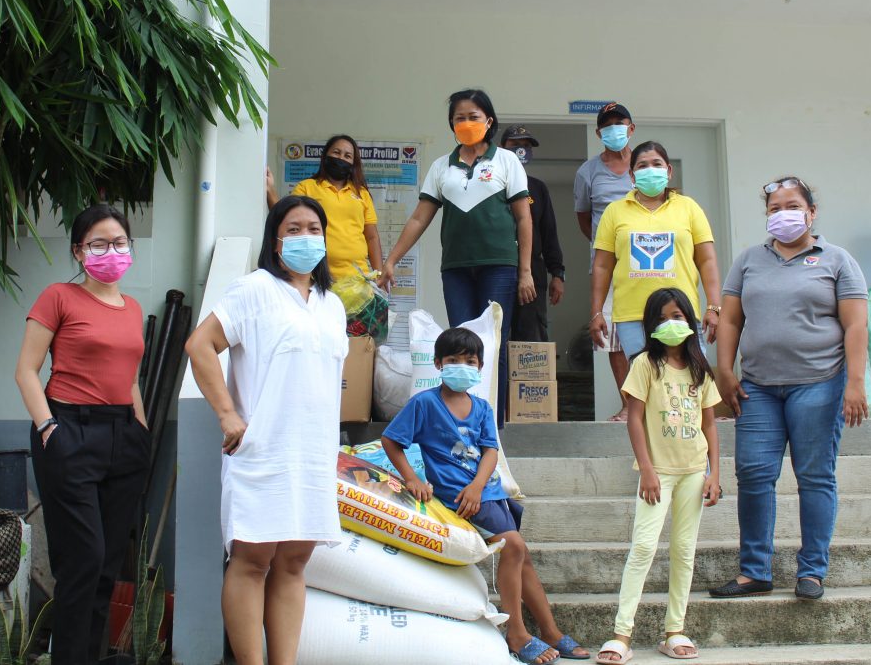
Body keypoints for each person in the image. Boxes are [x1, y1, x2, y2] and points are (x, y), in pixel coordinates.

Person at [184, 196, 348, 664]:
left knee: (294, 563)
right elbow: (200, 345)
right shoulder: (254, 289)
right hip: (261, 448)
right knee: (252, 561)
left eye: (313, 228)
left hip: (312, 453)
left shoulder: (331, 305)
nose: (305, 237)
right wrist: (227, 414)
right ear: (275, 243)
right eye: (293, 229)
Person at [381, 328, 589, 664]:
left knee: (522, 558)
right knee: (516, 547)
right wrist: (411, 479)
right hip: (457, 497)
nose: (461, 366)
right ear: (437, 364)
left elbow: (491, 451)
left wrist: (479, 487)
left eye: (469, 361)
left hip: (488, 493)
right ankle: (518, 634)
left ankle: (549, 630)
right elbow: (391, 441)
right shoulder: (424, 403)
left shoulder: (481, 407)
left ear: (479, 368)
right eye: (453, 360)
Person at [709, 176, 868, 601]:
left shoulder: (836, 259)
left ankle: (812, 571)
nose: (783, 214)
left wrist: (854, 383)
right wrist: (724, 370)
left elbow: (856, 324)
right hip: (758, 387)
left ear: (812, 212)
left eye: (792, 205)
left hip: (819, 384)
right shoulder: (747, 261)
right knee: (754, 474)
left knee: (814, 476)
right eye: (774, 208)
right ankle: (754, 571)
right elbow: (729, 319)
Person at [15, 205, 149, 664]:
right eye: (98, 243)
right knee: (82, 561)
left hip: (123, 436)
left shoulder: (132, 308)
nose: (110, 251)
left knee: (108, 566)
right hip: (69, 429)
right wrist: (49, 426)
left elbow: (129, 377)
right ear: (78, 250)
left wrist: (141, 429)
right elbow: (27, 370)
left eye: (119, 242)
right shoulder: (58, 297)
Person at [378, 89, 535, 428]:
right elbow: (420, 218)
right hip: (456, 269)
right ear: (452, 123)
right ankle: (463, 418)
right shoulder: (440, 167)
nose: (466, 123)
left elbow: (524, 218)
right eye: (459, 117)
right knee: (462, 340)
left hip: (500, 266)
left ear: (489, 120)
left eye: (473, 116)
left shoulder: (507, 161)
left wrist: (526, 272)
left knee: (494, 342)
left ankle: (493, 423)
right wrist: (392, 261)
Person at [596, 288, 721, 664]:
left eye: (679, 316)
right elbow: (634, 418)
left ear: (691, 322)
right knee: (644, 548)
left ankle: (675, 630)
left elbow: (710, 425)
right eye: (664, 317)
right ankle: (621, 634)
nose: (672, 324)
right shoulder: (644, 365)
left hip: (694, 473)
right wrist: (646, 469)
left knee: (684, 551)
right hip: (658, 475)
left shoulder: (701, 369)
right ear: (652, 324)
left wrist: (715, 472)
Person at [590, 141, 722, 421]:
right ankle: (650, 457)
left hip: (681, 314)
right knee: (646, 389)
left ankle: (693, 451)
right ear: (631, 174)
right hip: (632, 315)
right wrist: (597, 311)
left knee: (689, 385)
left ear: (669, 170)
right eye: (642, 165)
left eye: (656, 164)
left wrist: (714, 306)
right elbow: (602, 265)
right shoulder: (615, 211)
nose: (650, 170)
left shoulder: (689, 208)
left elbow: (707, 260)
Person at [574, 102, 636, 408]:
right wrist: (606, 248)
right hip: (608, 266)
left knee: (656, 331)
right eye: (607, 125)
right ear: (599, 132)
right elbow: (584, 217)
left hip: (650, 263)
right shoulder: (587, 172)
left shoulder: (645, 167)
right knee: (613, 336)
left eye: (619, 123)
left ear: (631, 128)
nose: (614, 129)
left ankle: (654, 403)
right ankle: (628, 404)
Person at [501, 124, 565, 342]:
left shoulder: (537, 188)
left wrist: (557, 273)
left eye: (526, 146)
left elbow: (549, 233)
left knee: (531, 336)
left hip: (533, 273)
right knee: (495, 333)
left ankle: (529, 378)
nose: (521, 150)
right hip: (498, 268)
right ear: (502, 148)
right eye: (515, 145)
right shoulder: (491, 184)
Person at [291, 135, 383, 281]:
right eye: (336, 152)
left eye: (347, 156)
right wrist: (271, 193)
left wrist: (379, 275)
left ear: (353, 163)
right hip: (318, 278)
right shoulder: (306, 187)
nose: (341, 158)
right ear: (325, 155)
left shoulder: (362, 193)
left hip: (358, 280)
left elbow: (372, 237)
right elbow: (285, 220)